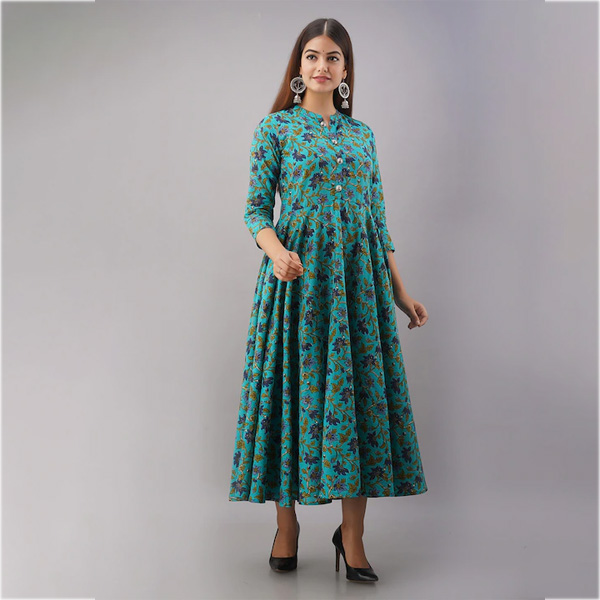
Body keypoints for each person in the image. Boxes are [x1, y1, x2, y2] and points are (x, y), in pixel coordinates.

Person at [228, 17, 429, 583]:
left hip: (358, 291)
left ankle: (353, 537)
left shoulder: (362, 135)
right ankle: (286, 526)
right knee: (288, 397)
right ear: (299, 65)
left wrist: (401, 293)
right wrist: (275, 252)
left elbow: (377, 221)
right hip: (296, 286)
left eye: (333, 57)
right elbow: (255, 210)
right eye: (312, 56)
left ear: (345, 70)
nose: (322, 66)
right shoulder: (275, 129)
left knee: (356, 401)